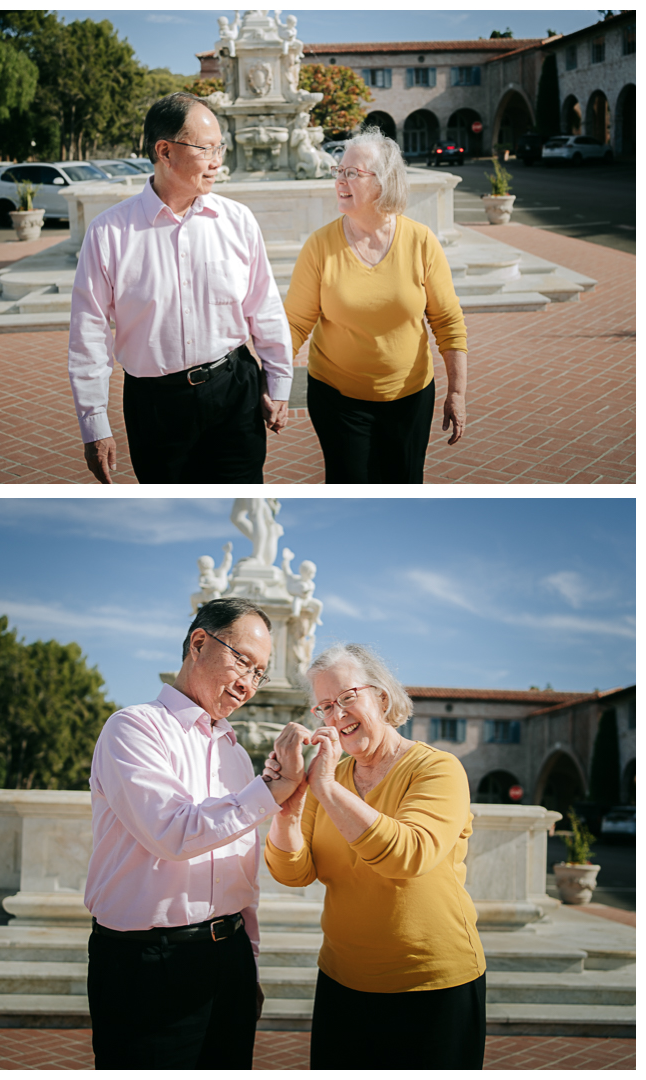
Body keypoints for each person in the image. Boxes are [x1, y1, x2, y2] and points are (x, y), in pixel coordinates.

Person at [84, 597, 304, 1069]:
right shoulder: (134, 728)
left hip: (230, 960)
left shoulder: (235, 753)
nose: (249, 683)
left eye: (260, 672)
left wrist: (250, 964)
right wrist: (273, 788)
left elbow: (239, 870)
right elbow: (172, 833)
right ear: (198, 643)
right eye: (242, 660)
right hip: (148, 963)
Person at [263, 643, 487, 1071]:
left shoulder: (437, 769)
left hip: (432, 985)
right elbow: (294, 873)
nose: (337, 715)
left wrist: (326, 787)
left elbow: (408, 855)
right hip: (342, 981)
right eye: (325, 706)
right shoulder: (327, 777)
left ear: (382, 698)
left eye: (348, 698)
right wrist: (287, 811)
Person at [68, 92, 293, 484]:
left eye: (220, 147)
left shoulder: (237, 220)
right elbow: (88, 332)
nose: (217, 161)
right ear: (165, 151)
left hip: (234, 391)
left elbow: (265, 307)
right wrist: (94, 423)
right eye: (206, 148)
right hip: (156, 406)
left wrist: (279, 383)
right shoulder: (109, 232)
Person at [284, 127, 468, 484]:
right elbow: (294, 324)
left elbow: (447, 322)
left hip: (410, 396)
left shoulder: (421, 241)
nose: (340, 179)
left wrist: (457, 392)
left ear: (383, 183)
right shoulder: (320, 245)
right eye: (339, 171)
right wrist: (274, 386)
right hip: (337, 398)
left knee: (404, 483)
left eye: (352, 173)